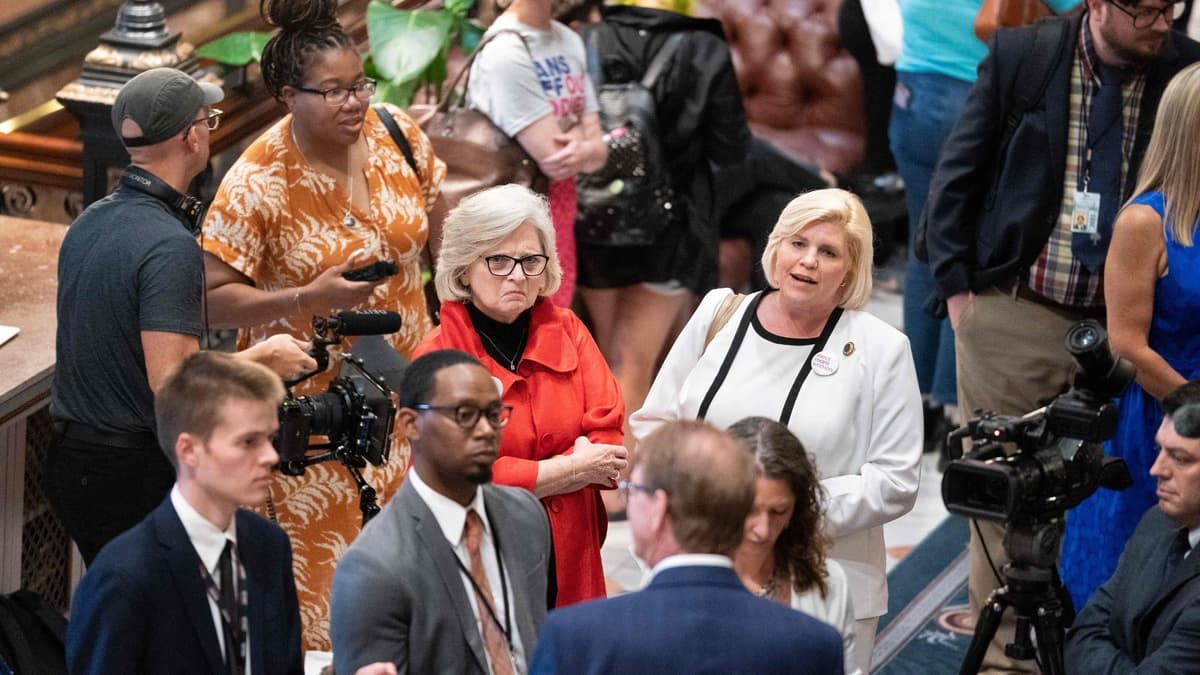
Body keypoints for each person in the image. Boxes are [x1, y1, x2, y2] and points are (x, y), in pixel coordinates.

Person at [921, 1, 1200, 670]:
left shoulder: (1183, 70)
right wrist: (964, 299)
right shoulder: (1027, 56)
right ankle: (1007, 665)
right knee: (1008, 502)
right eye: (1146, 10)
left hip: (1120, 335)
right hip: (1019, 308)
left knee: (1102, 502)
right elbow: (957, 175)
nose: (1162, 23)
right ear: (1098, 5)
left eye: (1174, 8)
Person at [199, 0, 446, 649]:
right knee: (331, 614)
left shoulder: (399, 134)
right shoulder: (259, 176)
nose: (353, 101)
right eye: (332, 91)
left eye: (359, 84)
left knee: (414, 595)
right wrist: (304, 296)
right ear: (289, 95)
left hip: (408, 401)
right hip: (317, 426)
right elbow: (208, 297)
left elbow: (434, 231)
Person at [631, 188, 923, 672]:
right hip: (701, 562)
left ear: (849, 270)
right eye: (798, 243)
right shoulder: (719, 312)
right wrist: (703, 507)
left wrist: (786, 512)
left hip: (820, 582)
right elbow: (656, 426)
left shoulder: (881, 348)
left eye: (828, 252)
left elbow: (895, 482)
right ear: (775, 248)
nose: (807, 262)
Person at [45, 67, 315, 566]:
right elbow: (172, 383)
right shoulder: (168, 246)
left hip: (74, 464)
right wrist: (262, 359)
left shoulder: (89, 221)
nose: (210, 130)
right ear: (191, 137)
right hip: (128, 475)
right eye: (207, 120)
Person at [414, 184, 626, 607]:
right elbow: (458, 473)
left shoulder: (570, 331)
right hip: (482, 555)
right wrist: (571, 469)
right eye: (499, 260)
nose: (517, 275)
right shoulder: (436, 357)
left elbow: (610, 449)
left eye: (531, 260)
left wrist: (527, 471)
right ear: (463, 268)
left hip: (573, 557)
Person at [558, 0, 751, 462]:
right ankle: (619, 479)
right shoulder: (704, 46)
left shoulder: (581, 38)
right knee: (636, 361)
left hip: (594, 217)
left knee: (606, 354)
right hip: (671, 225)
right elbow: (731, 147)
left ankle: (602, 471)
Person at [529, 420, 843, 675]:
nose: (625, 499)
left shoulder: (574, 637)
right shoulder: (815, 644)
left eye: (631, 489)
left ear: (658, 509)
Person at [65, 351, 302, 675]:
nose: (271, 456)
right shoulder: (124, 577)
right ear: (189, 450)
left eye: (270, 439)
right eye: (249, 441)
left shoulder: (269, 545)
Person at [1060, 62, 1200, 610]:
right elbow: (1126, 345)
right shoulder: (1145, 222)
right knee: (1130, 587)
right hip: (1153, 421)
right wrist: (1193, 411)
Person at [330, 350, 553, 675]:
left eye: (494, 414)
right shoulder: (374, 566)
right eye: (464, 414)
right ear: (411, 424)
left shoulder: (526, 514)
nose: (486, 430)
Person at [466, 0, 607, 307]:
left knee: (551, 327)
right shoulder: (505, 50)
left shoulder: (567, 38)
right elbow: (555, 158)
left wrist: (587, 148)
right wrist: (585, 143)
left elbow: (598, 151)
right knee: (519, 330)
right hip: (513, 214)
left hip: (559, 205)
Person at [1064, 380, 1200, 672]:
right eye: (1159, 449)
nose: (1156, 469)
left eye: (1180, 459)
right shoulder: (1157, 522)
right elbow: (1082, 632)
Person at [728, 416, 860, 675]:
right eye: (749, 510)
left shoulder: (829, 582)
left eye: (779, 511)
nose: (763, 530)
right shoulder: (679, 578)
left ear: (797, 510)